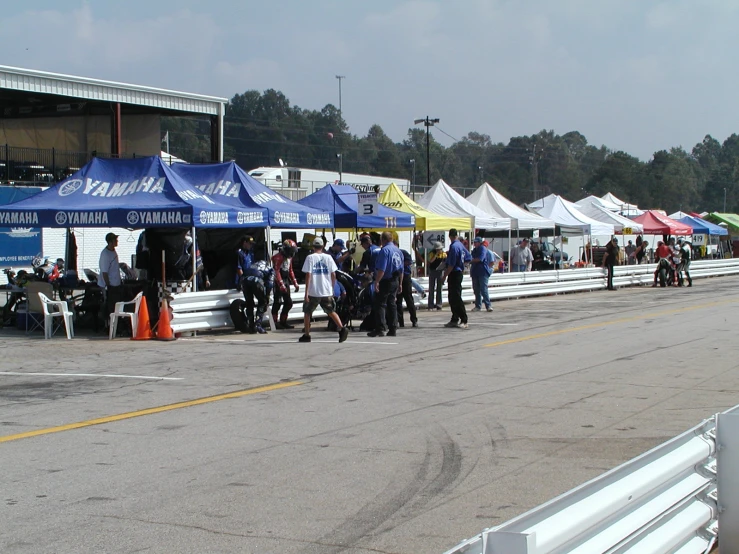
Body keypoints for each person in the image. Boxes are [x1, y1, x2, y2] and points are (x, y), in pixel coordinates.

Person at [299, 238, 349, 343]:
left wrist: (306, 292)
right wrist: (331, 287)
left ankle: (307, 334)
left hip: (314, 290)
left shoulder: (310, 257)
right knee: (331, 311)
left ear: (313, 247)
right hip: (326, 290)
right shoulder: (328, 257)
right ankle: (342, 328)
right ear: (322, 247)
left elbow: (308, 274)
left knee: (307, 312)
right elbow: (333, 274)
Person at [368, 231, 404, 337]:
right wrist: (400, 283)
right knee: (392, 303)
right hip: (395, 279)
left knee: (380, 303)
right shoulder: (398, 251)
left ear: (383, 240)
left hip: (386, 280)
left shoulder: (385, 251)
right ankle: (393, 328)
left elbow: (381, 269)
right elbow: (401, 269)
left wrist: (377, 282)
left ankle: (380, 328)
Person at [442, 228, 470, 329]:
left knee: (456, 297)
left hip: (454, 273)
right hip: (459, 272)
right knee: (452, 297)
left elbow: (451, 264)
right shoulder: (461, 245)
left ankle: (464, 319)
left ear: (450, 236)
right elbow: (468, 257)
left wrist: (444, 276)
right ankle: (455, 318)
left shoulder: (454, 246)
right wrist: (462, 265)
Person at [271, 239, 300, 329]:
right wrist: (281, 284)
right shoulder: (277, 257)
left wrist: (295, 282)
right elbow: (276, 271)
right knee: (277, 302)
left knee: (288, 303)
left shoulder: (289, 258)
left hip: (285, 280)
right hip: (277, 281)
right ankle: (274, 322)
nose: (292, 253)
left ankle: (283, 321)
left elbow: (290, 270)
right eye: (291, 251)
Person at [241, 260, 274, 334]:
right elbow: (270, 284)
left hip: (244, 280)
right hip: (256, 281)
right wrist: (267, 296)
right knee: (262, 302)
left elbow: (242, 277)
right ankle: (258, 325)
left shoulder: (251, 265)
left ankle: (251, 325)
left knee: (249, 303)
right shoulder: (269, 268)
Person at [98, 232, 123, 325]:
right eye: (115, 240)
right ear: (110, 242)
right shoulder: (105, 254)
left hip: (116, 283)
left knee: (116, 305)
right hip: (110, 285)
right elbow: (104, 272)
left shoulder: (113, 251)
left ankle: (115, 324)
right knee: (110, 305)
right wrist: (108, 286)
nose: (117, 241)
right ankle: (108, 324)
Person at [396, 249, 418, 328]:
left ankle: (414, 320)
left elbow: (409, 261)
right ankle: (400, 321)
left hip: (406, 277)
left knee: (409, 300)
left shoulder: (403, 252)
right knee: (398, 301)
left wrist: (400, 264)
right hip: (397, 278)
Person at [470, 236, 493, 311]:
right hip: (475, 272)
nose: (474, 244)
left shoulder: (482, 248)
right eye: (474, 242)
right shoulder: (474, 250)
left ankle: (488, 305)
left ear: (479, 243)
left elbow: (480, 259)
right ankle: (478, 306)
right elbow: (471, 257)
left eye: (476, 242)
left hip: (482, 272)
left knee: (483, 289)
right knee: (476, 290)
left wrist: (471, 261)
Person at [427, 242, 446, 310]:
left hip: (440, 271)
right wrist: (436, 255)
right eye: (438, 249)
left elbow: (445, 261)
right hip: (432, 271)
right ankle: (430, 305)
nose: (439, 250)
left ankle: (439, 304)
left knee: (439, 288)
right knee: (431, 288)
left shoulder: (443, 254)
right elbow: (430, 261)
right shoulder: (432, 253)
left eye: (440, 249)